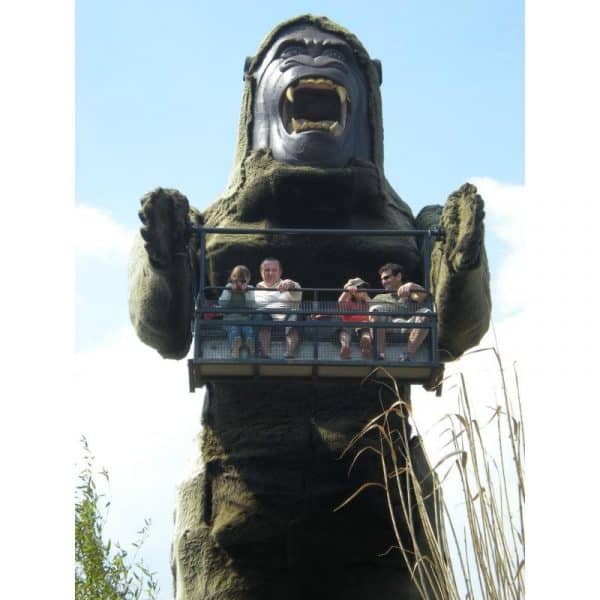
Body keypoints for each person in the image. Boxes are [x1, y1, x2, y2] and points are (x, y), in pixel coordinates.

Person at [369, 263, 431, 361]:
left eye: (386, 278)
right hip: (387, 327)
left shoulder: (412, 294)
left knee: (426, 312)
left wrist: (412, 286)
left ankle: (407, 355)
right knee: (375, 309)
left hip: (409, 327)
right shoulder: (379, 297)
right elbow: (369, 315)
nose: (383, 282)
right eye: (382, 279)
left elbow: (423, 296)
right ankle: (379, 355)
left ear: (398, 276)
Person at [254, 257, 302, 359]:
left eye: (274, 270)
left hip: (288, 319)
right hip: (265, 321)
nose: (270, 273)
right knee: (260, 315)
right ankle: (265, 354)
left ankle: (289, 355)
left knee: (296, 314)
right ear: (261, 272)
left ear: (280, 272)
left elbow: (296, 289)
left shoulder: (286, 285)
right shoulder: (254, 290)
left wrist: (291, 284)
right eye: (267, 270)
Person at [217, 265, 256, 358]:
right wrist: (229, 291)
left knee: (249, 331)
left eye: (243, 281)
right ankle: (234, 348)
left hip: (245, 320)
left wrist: (246, 292)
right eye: (237, 280)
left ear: (248, 280)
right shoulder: (228, 287)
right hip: (230, 320)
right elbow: (222, 303)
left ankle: (251, 346)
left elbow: (251, 305)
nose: (239, 283)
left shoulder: (250, 289)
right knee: (234, 331)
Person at [337, 277, 373, 360]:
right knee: (345, 330)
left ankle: (366, 348)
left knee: (365, 329)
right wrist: (346, 292)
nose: (362, 290)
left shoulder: (367, 300)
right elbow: (341, 303)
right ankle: (345, 347)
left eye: (364, 287)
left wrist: (366, 297)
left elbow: (373, 307)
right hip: (349, 324)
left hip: (363, 324)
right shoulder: (348, 300)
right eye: (359, 287)